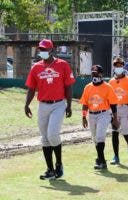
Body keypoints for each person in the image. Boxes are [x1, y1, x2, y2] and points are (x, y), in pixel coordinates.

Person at [24, 39, 75, 179]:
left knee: (53, 135)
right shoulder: (36, 67)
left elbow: (68, 86)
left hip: (58, 104)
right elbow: (31, 88)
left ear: (51, 50)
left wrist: (69, 105)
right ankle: (50, 170)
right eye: (41, 49)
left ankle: (59, 165)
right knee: (45, 138)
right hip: (42, 105)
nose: (43, 52)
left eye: (45, 49)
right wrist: (27, 104)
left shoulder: (62, 65)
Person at [80, 65, 119, 169]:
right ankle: (100, 159)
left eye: (96, 73)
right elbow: (85, 104)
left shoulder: (107, 87)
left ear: (101, 74)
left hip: (104, 114)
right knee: (95, 139)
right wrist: (84, 117)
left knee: (100, 137)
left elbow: (113, 104)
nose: (94, 74)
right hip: (91, 115)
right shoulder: (88, 87)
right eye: (92, 73)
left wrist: (115, 119)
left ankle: (102, 162)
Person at [109, 57, 128, 164]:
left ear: (123, 66)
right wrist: (110, 112)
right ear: (114, 67)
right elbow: (109, 98)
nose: (118, 67)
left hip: (126, 108)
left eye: (120, 65)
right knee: (114, 132)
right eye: (116, 65)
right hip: (115, 109)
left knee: (125, 132)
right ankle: (116, 156)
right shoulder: (111, 81)